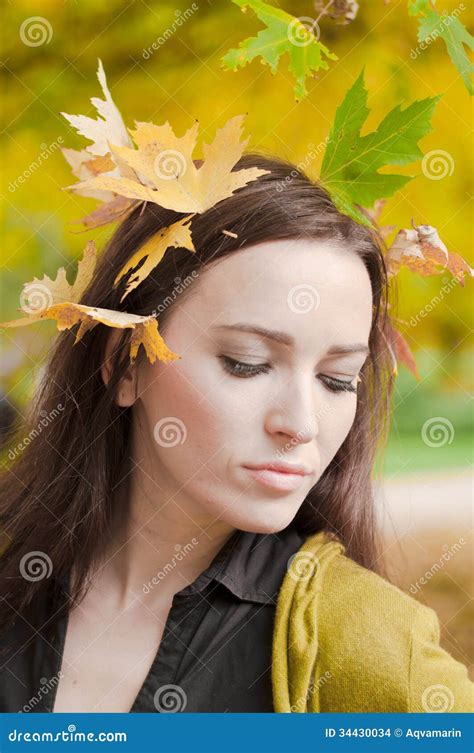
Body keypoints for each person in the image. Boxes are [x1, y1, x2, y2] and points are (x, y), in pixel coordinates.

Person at [0, 155, 470, 713]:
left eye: (337, 380)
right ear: (126, 364)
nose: (300, 425)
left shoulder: (372, 651)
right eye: (246, 363)